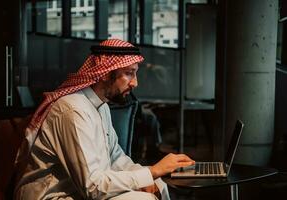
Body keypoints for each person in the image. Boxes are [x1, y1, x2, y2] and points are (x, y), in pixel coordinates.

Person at [14, 39, 195, 200]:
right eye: (129, 73)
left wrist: (147, 177)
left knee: (159, 185)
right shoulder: (73, 110)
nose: (135, 83)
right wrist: (152, 171)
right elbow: (92, 187)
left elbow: (116, 158)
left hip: (80, 191)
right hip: (53, 195)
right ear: (105, 73)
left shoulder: (102, 106)